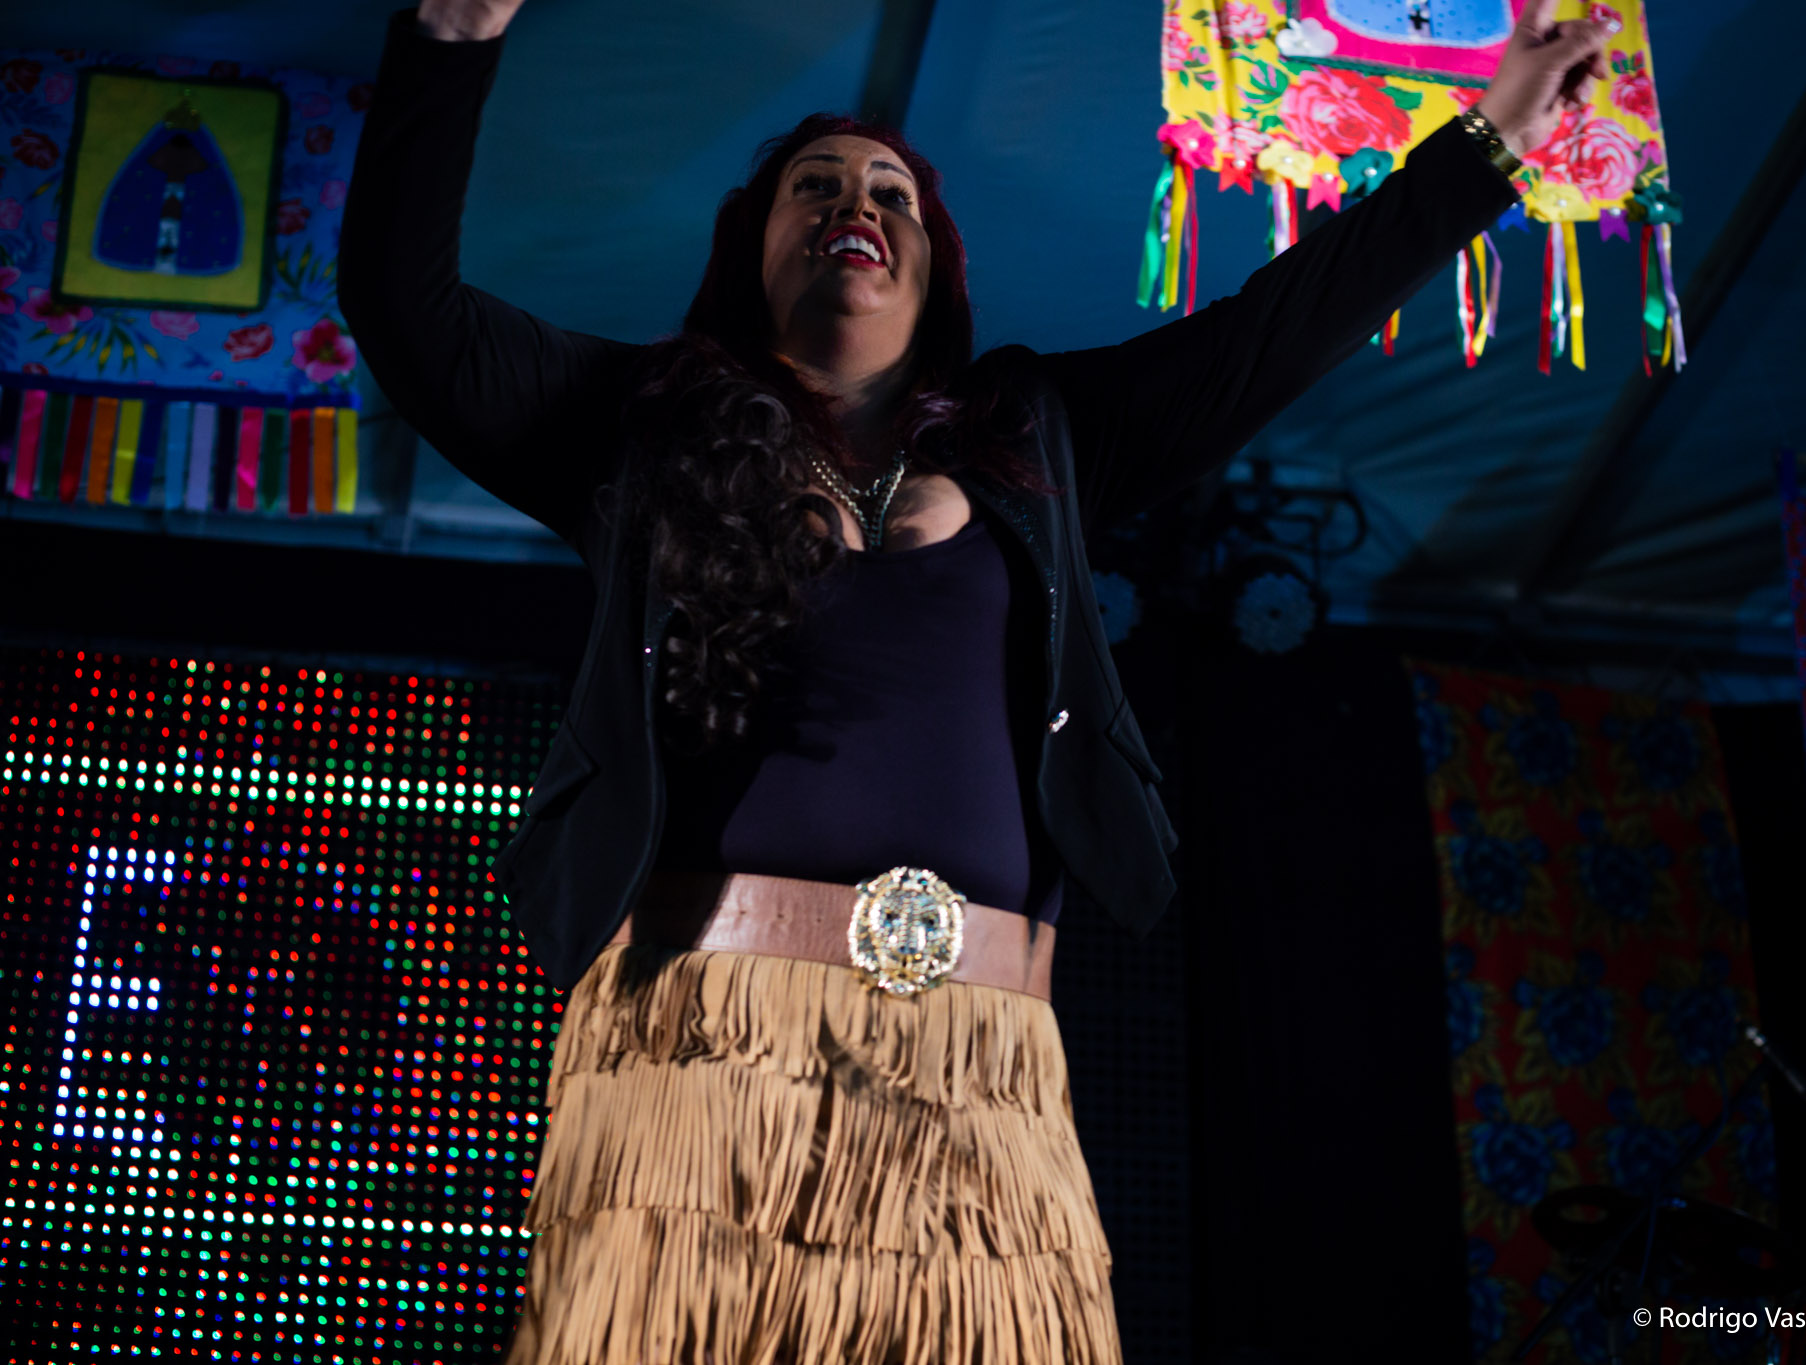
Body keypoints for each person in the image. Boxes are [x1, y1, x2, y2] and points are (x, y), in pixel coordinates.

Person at [339, 2, 1609, 1359]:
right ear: (751, 247)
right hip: (696, 1049)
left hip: (977, 1063)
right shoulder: (635, 427)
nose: (855, 204)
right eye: (814, 187)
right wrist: (450, 37)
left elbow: (1279, 331)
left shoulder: (1040, 437)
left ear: (936, 265)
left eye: (891, 192)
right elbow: (404, 311)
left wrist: (1488, 145)